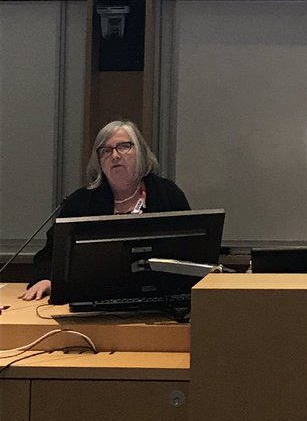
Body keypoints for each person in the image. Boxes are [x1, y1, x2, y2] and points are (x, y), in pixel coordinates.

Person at [20, 119, 190, 301]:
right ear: (99, 161)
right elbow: (50, 254)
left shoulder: (167, 194)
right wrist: (45, 278)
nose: (115, 155)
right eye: (106, 150)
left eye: (124, 146)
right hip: (93, 300)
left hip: (161, 300)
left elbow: (191, 251)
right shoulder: (81, 202)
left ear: (140, 151)